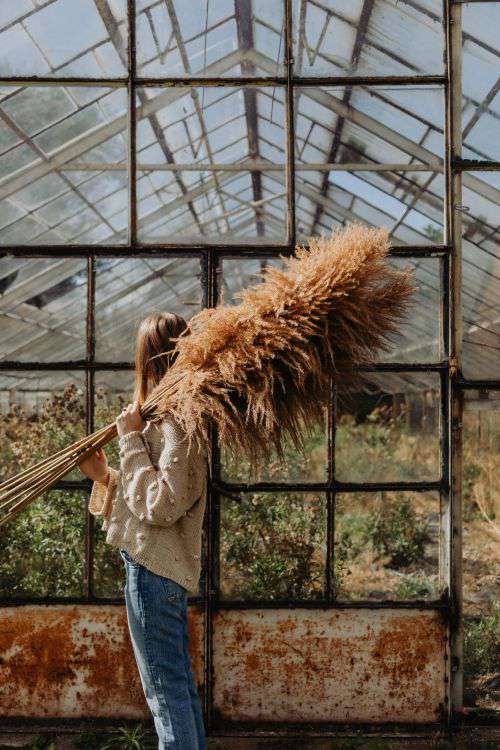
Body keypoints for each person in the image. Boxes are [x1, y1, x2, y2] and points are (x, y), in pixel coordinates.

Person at [79, 312, 207, 750]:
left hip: (155, 575)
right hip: (151, 570)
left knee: (165, 695)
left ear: (148, 358)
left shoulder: (177, 423)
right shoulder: (163, 417)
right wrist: (105, 476)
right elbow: (146, 494)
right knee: (176, 689)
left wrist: (131, 440)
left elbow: (160, 505)